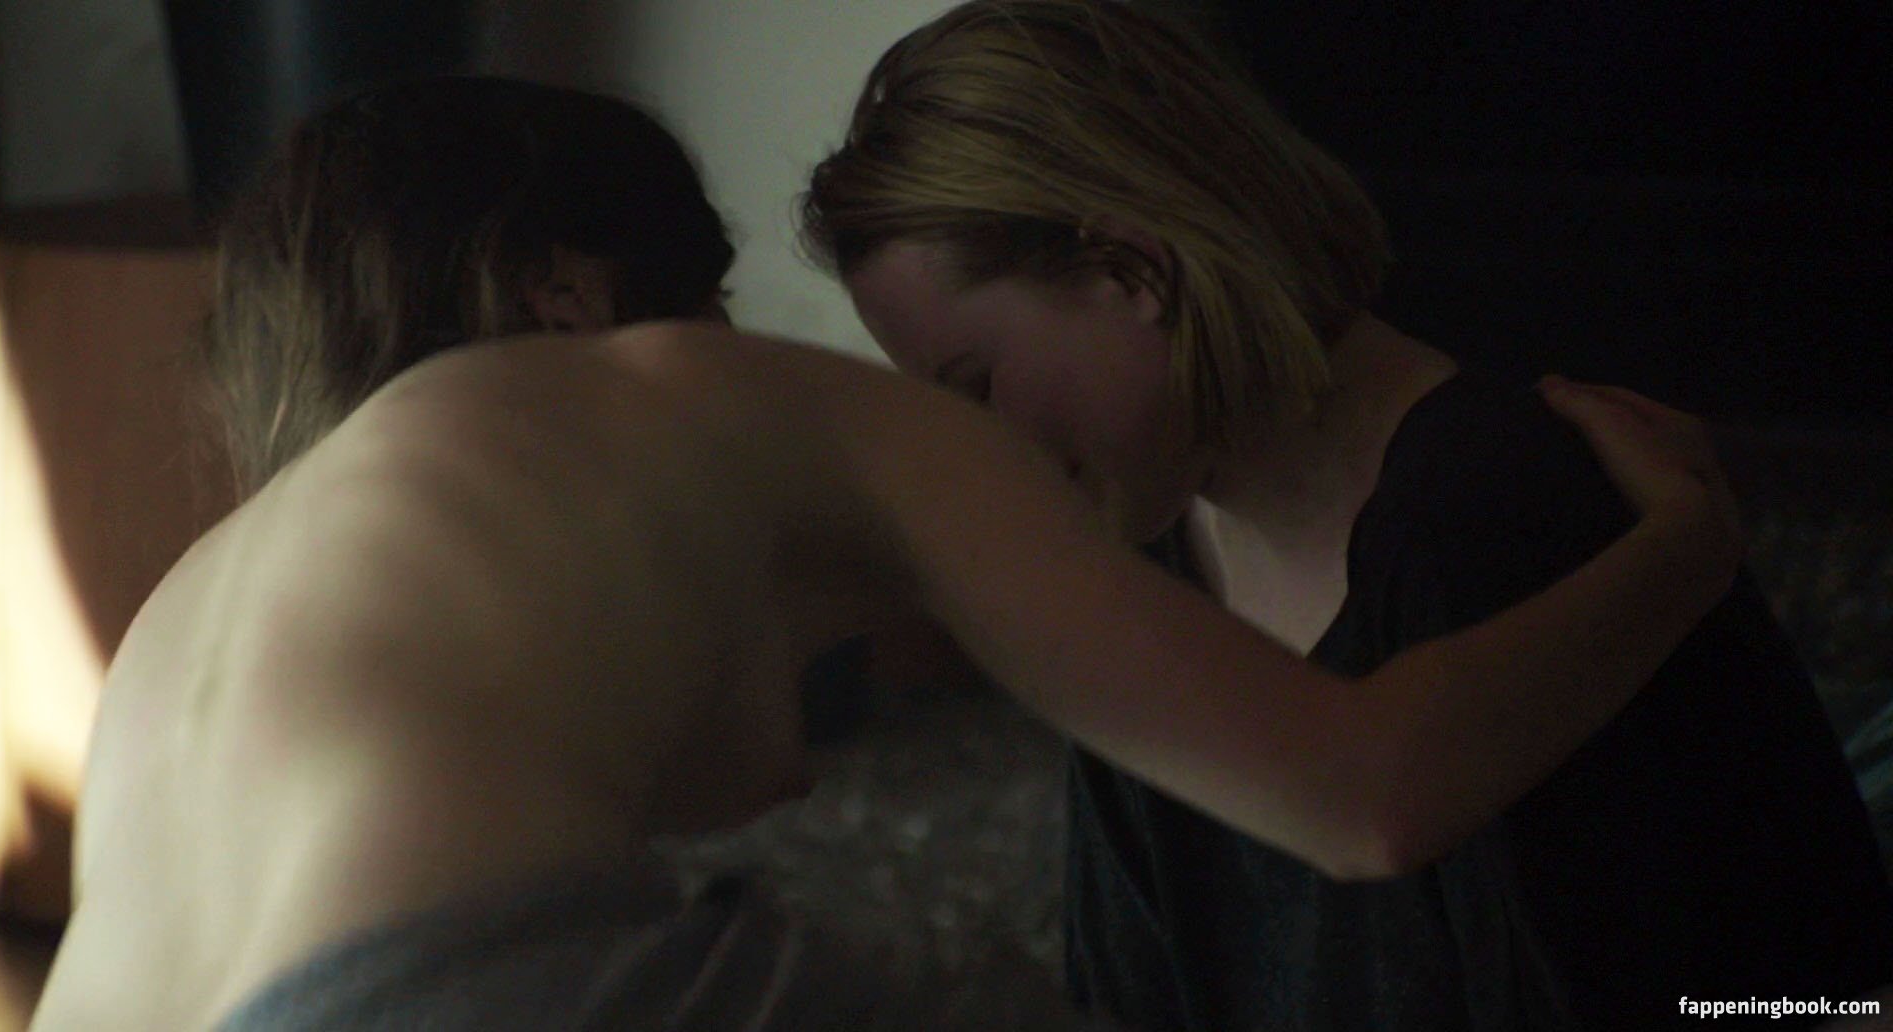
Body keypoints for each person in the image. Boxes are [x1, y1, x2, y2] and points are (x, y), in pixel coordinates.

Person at [32, 76, 1737, 1031]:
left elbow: (719, 771)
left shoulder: (211, 593)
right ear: (571, 291)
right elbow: (1364, 794)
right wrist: (1687, 542)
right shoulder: (696, 388)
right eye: (706, 292)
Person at [800, 2, 1893, 1029]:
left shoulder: (1495, 511)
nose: (980, 458)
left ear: (1130, 269)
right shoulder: (1139, 577)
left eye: (976, 387)